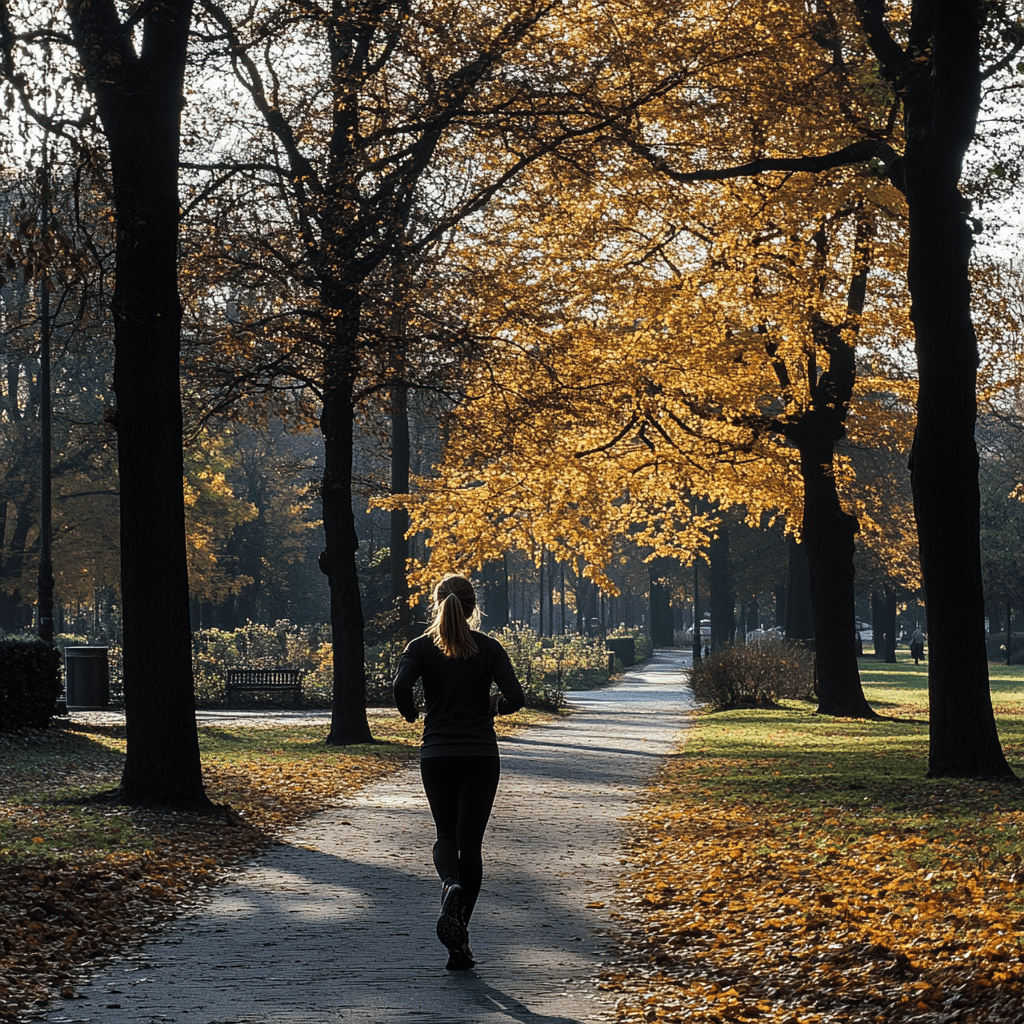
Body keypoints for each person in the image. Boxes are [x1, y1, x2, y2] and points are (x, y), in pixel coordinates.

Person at [393, 574, 525, 971]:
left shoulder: (420, 648)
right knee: (473, 844)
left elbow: (401, 686)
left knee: (444, 834)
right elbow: (516, 697)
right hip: (480, 755)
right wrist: (493, 707)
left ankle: (449, 884)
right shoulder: (488, 648)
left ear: (436, 604)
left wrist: (411, 712)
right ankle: (460, 936)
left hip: (437, 754)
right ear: (472, 607)